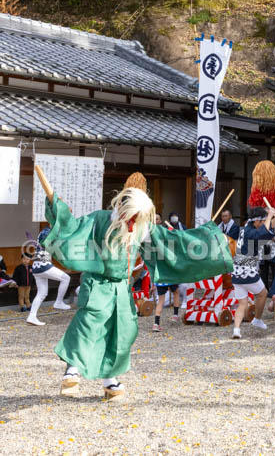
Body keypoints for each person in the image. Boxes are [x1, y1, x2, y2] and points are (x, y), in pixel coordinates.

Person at [40, 172, 232, 402]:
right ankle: (72, 370)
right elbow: (72, 228)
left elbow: (176, 243)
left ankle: (110, 380)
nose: (133, 219)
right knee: (90, 323)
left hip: (122, 286)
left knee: (123, 332)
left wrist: (207, 236)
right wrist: (57, 208)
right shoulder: (99, 220)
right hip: (98, 283)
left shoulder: (142, 228)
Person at [229, 208, 275, 339]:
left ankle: (236, 330)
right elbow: (264, 230)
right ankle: (257, 319)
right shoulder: (249, 232)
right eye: (262, 221)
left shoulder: (247, 227)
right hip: (247, 271)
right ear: (257, 221)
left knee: (242, 303)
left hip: (237, 272)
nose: (263, 223)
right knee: (263, 293)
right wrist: (270, 216)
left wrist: (274, 218)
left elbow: (266, 228)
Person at [27, 225, 72, 326]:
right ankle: (59, 302)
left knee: (41, 293)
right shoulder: (48, 232)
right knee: (66, 278)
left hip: (36, 266)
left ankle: (32, 316)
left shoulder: (45, 232)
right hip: (44, 265)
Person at [152, 212, 188, 331]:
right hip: (167, 269)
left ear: (161, 220)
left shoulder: (153, 233)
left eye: (157, 219)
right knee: (169, 294)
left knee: (167, 295)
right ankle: (173, 316)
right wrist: (172, 233)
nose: (156, 220)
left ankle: (158, 322)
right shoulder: (160, 232)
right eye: (154, 219)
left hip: (162, 270)